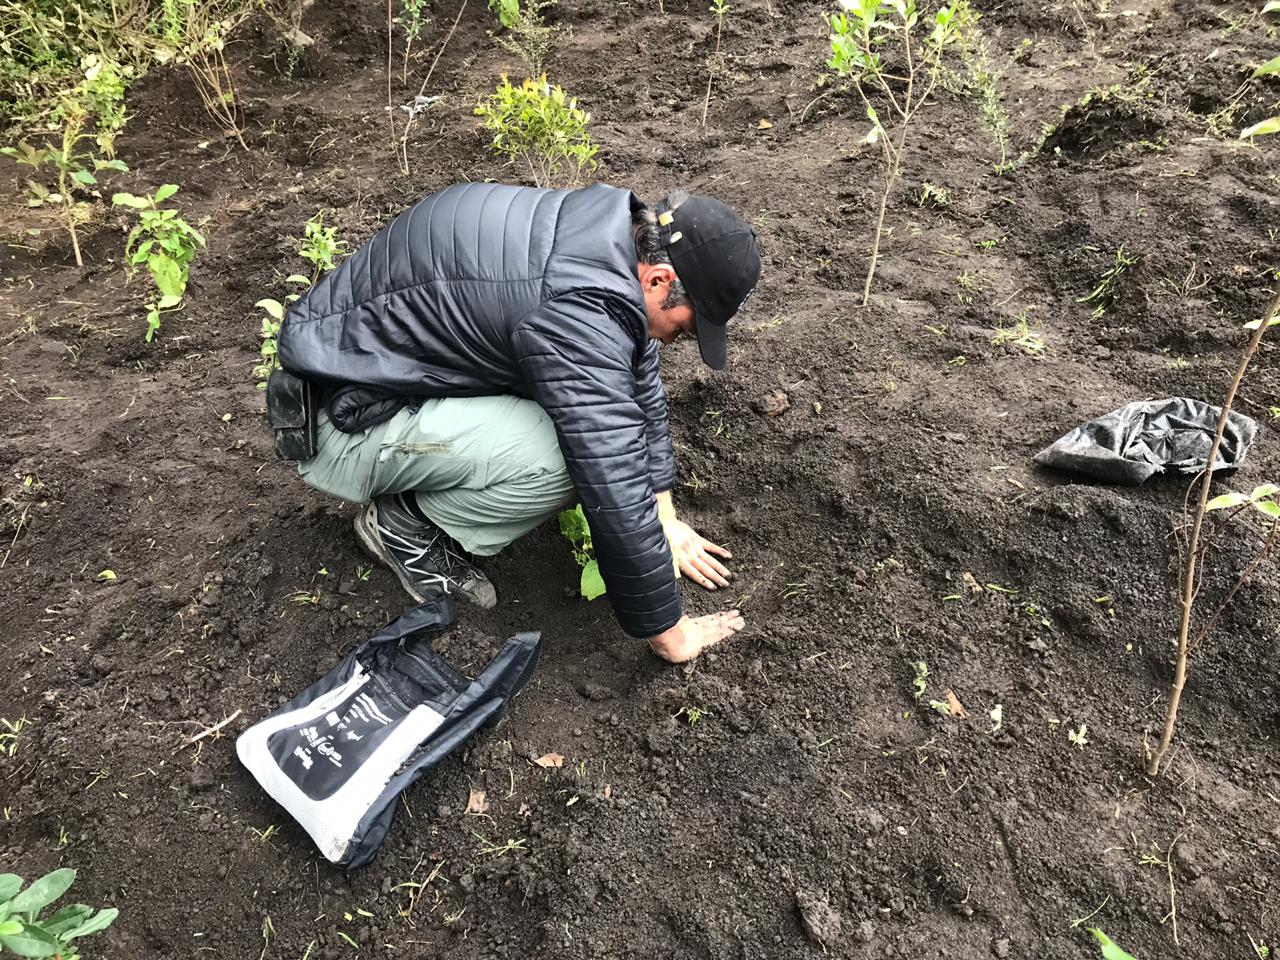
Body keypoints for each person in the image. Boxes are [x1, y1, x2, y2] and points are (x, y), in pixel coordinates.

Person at [276, 182, 762, 663]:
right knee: (563, 457)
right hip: (340, 424)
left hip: (366, 370)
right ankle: (404, 526)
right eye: (688, 326)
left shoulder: (604, 236)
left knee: (586, 417)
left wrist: (665, 515)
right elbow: (610, 473)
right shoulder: (575, 310)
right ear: (657, 280)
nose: (681, 339)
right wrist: (670, 635)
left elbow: (638, 378)